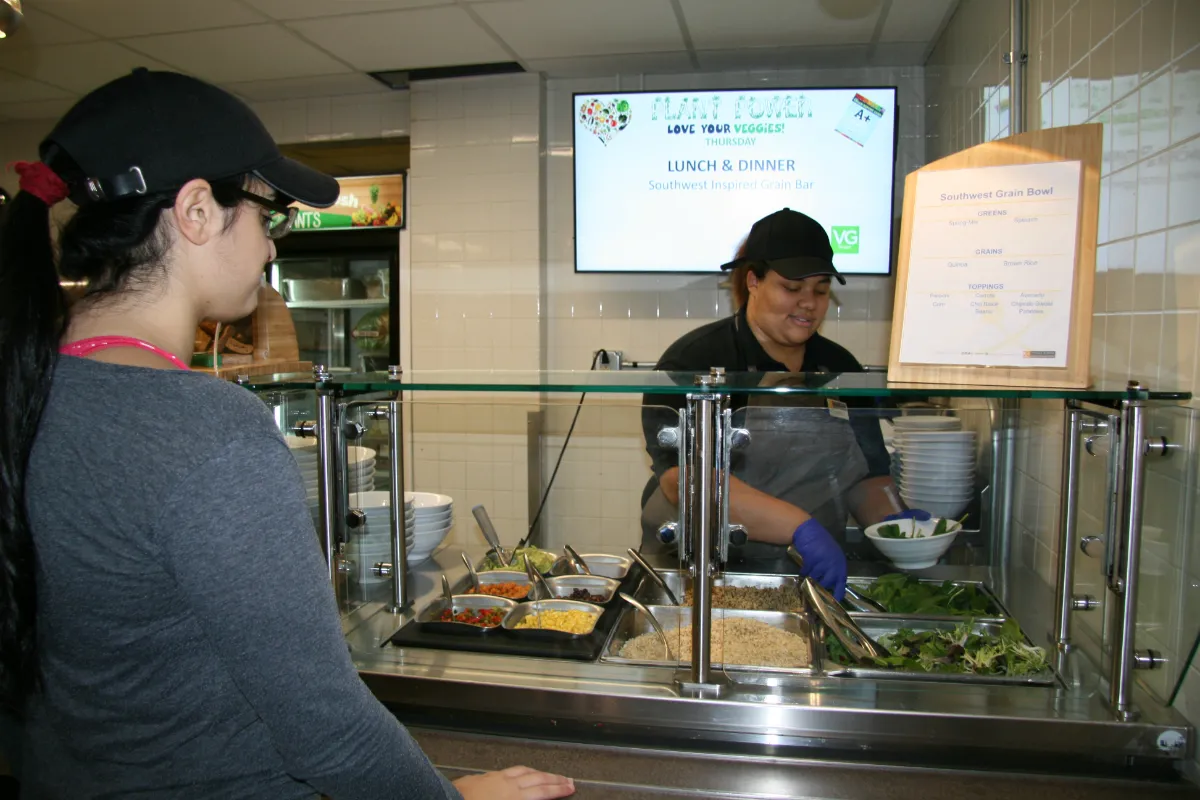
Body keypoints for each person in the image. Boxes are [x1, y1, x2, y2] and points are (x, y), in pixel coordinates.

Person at [0, 69, 574, 800]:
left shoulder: (28, 393)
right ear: (198, 211)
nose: (273, 248)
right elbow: (326, 729)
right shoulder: (212, 434)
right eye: (269, 216)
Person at [639, 208, 925, 599]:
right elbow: (683, 481)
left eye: (821, 290)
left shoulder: (840, 368)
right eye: (792, 288)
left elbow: (866, 474)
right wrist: (800, 528)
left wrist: (897, 526)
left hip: (807, 574)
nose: (809, 303)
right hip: (703, 575)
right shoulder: (693, 361)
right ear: (753, 280)